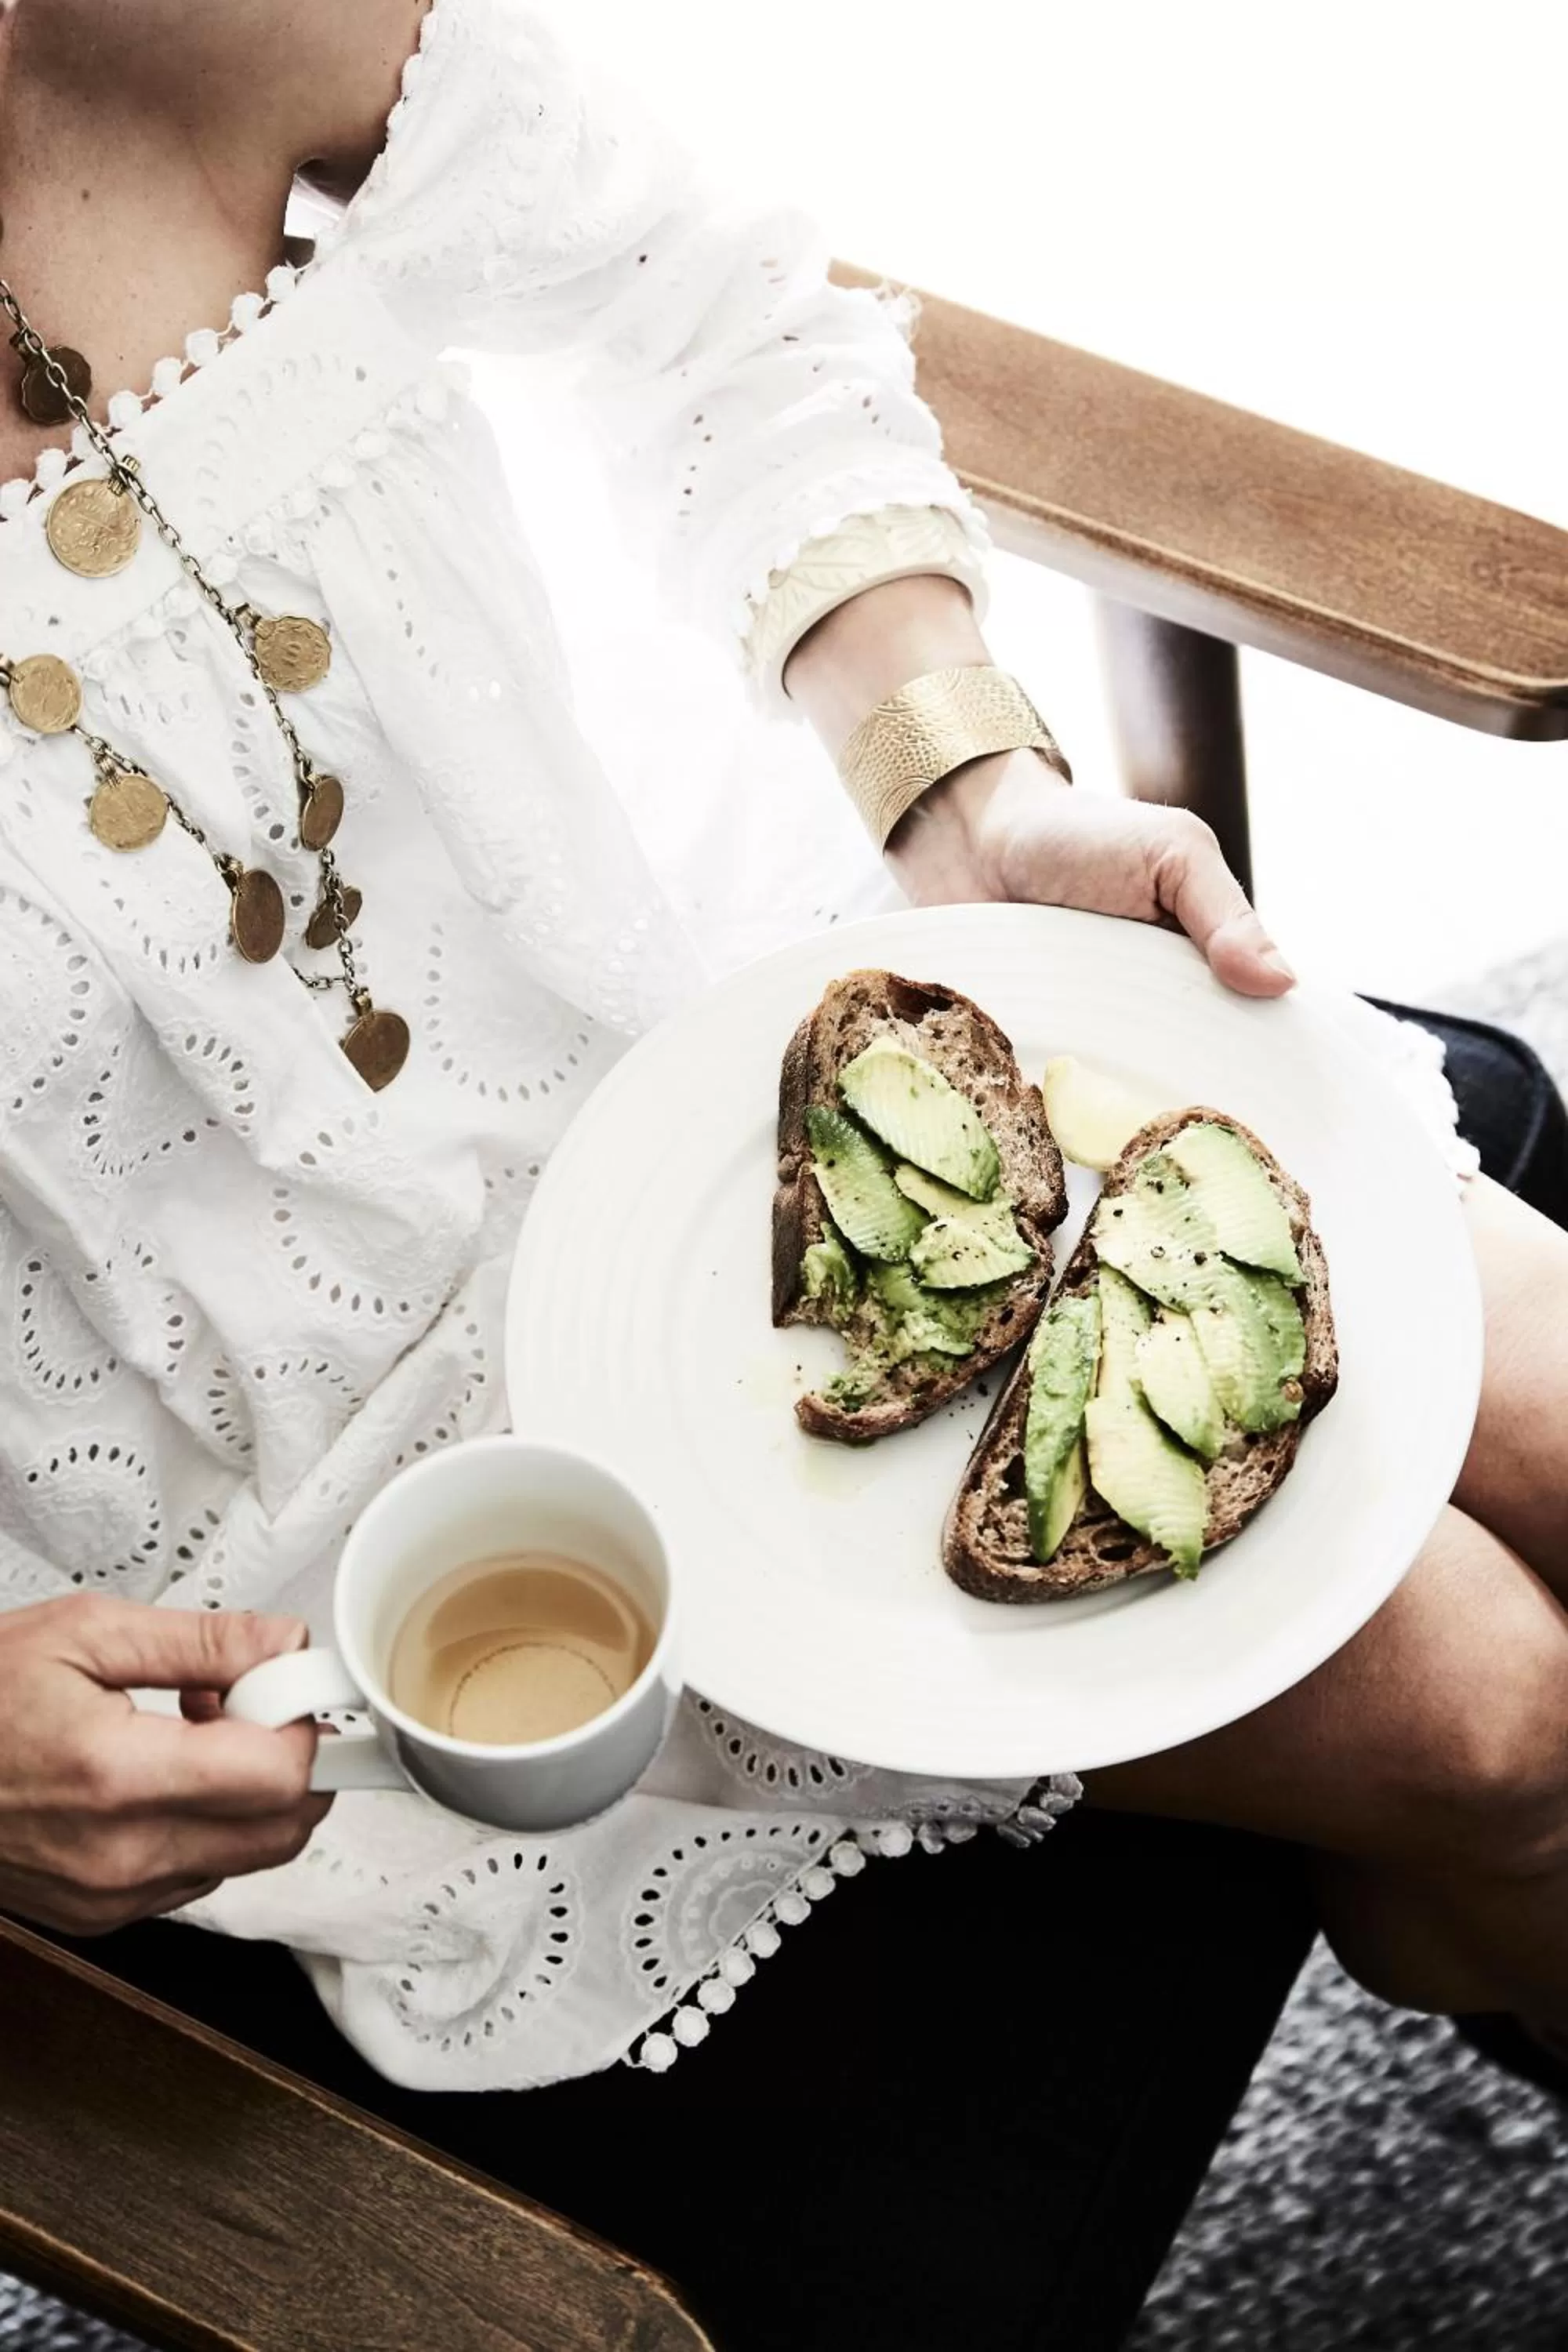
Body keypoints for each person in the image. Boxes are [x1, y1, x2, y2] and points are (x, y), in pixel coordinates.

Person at [0, 0, 1565, 2336]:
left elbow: (700, 304)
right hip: (296, 1510)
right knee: (1506, 1722)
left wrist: (958, 779)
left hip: (719, 1069)